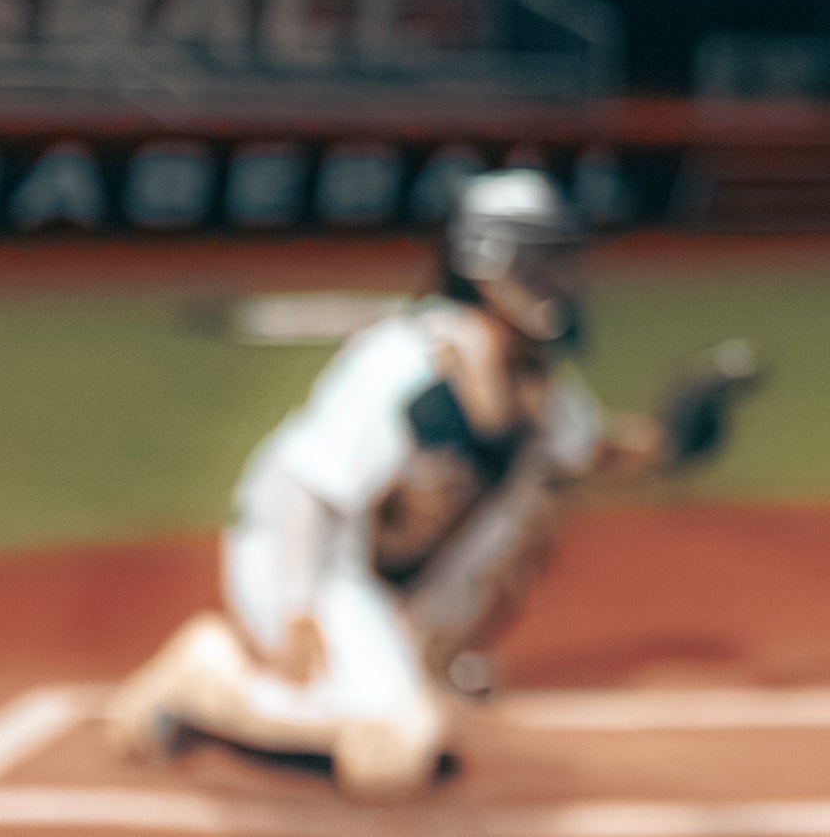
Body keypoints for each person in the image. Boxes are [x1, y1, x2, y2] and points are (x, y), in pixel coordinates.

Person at [102, 169, 760, 799]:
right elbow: (307, 487)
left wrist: (674, 443)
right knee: (393, 752)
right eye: (543, 261)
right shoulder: (410, 364)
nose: (563, 280)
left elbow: (591, 455)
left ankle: (414, 661)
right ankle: (208, 674)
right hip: (300, 555)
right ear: (489, 264)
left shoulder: (535, 385)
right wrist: (301, 615)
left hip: (377, 567)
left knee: (541, 493)